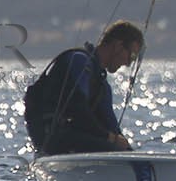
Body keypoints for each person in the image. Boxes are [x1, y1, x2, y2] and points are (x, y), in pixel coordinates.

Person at [23, 21, 144, 155]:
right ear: (118, 46)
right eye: (132, 56)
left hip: (74, 136)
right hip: (51, 135)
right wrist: (110, 138)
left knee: (115, 147)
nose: (128, 63)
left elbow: (112, 128)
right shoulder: (79, 62)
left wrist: (130, 152)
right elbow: (77, 109)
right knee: (110, 146)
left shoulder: (102, 87)